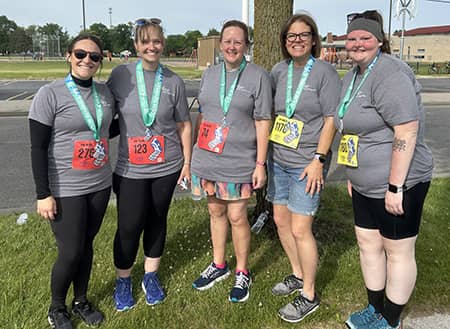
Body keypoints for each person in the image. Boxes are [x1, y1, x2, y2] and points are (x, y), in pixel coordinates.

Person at [336, 10, 433, 329]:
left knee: (398, 251)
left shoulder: (390, 72)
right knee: (368, 244)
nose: (357, 43)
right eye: (352, 38)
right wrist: (353, 175)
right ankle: (374, 308)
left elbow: (405, 131)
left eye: (365, 37)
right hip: (364, 184)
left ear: (379, 41)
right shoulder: (354, 74)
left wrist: (395, 187)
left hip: (400, 184)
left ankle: (390, 320)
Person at [29, 33, 114, 328]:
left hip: (100, 183)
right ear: (68, 56)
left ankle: (81, 300)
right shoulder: (50, 94)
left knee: (87, 245)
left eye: (94, 57)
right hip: (66, 186)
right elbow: (37, 147)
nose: (87, 61)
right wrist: (43, 193)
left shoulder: (104, 94)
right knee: (71, 250)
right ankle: (56, 307)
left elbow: (104, 131)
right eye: (80, 54)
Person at [106, 18, 192, 311]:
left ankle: (151, 276)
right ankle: (124, 280)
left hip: (167, 166)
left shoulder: (174, 81)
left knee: (157, 221)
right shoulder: (121, 76)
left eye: (156, 41)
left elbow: (183, 125)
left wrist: (187, 163)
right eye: (145, 41)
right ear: (136, 46)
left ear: (163, 44)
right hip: (129, 168)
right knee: (129, 226)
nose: (151, 46)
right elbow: (103, 112)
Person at [190, 20, 272, 303]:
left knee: (237, 216)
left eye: (238, 41)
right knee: (215, 213)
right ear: (220, 43)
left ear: (246, 45)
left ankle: (242, 270)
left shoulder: (258, 76)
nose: (232, 46)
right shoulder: (210, 74)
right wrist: (194, 152)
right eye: (227, 41)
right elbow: (203, 113)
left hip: (239, 160)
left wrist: (260, 163)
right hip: (208, 158)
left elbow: (263, 121)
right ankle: (218, 265)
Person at [267, 13, 341, 323]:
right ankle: (297, 274)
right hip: (278, 161)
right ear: (284, 41)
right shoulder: (277, 71)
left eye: (303, 34)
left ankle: (309, 294)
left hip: (307, 165)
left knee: (301, 229)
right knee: (281, 221)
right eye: (291, 36)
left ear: (313, 39)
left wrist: (318, 161)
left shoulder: (325, 72)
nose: (296, 40)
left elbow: (331, 120)